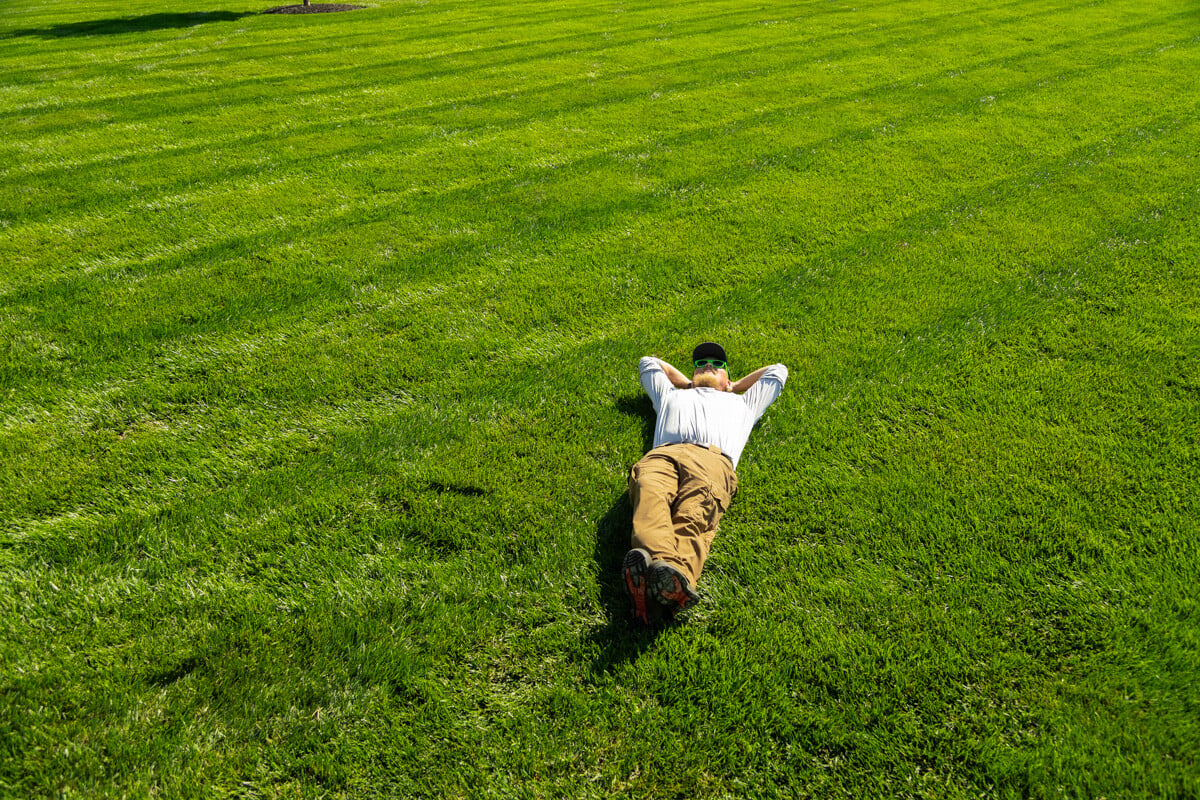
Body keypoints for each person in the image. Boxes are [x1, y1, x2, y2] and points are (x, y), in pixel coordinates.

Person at [623, 342, 788, 624]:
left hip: (712, 462)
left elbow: (777, 372)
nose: (708, 365)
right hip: (663, 456)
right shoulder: (670, 394)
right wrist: (688, 384)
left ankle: (653, 581)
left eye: (717, 364)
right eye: (701, 364)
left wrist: (734, 386)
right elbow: (648, 362)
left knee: (694, 516)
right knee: (650, 495)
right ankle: (672, 579)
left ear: (728, 377)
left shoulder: (744, 402)